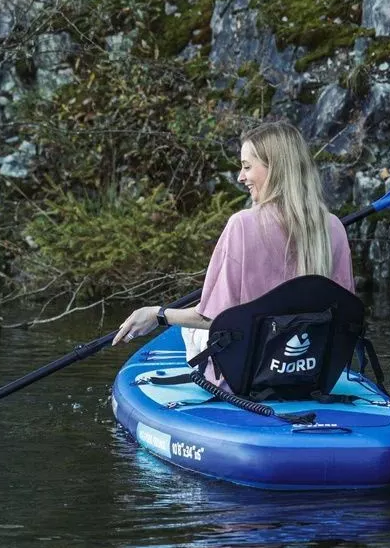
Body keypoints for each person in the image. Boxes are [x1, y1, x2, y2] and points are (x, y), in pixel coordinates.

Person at [112, 120, 355, 385]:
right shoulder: (333, 227)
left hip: (246, 378)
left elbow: (212, 319)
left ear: (275, 168)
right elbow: (345, 317)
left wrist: (157, 315)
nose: (241, 177)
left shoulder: (242, 224)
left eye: (247, 166)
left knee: (188, 333)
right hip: (310, 375)